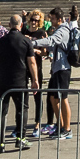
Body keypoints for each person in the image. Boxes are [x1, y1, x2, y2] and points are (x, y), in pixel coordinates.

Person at [0, 15, 36, 151]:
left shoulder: (1, 41)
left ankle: (0, 143)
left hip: (2, 81)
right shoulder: (25, 41)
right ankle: (20, 139)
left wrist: (0, 73)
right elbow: (32, 62)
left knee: (1, 111)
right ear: (21, 25)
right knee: (21, 109)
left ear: (9, 25)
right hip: (20, 81)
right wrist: (35, 80)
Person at [30, 7, 74, 140]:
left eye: (53, 18)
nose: (51, 20)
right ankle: (60, 126)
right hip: (56, 69)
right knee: (53, 98)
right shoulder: (58, 31)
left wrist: (32, 42)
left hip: (63, 69)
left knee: (62, 98)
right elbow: (51, 46)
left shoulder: (63, 30)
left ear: (59, 19)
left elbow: (51, 41)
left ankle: (67, 128)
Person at [23, 10, 47, 138]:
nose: (34, 22)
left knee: (37, 97)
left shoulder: (41, 33)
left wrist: (35, 51)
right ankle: (21, 125)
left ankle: (37, 124)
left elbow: (45, 52)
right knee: (23, 97)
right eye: (32, 19)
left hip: (36, 68)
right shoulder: (24, 32)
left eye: (37, 20)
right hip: (24, 67)